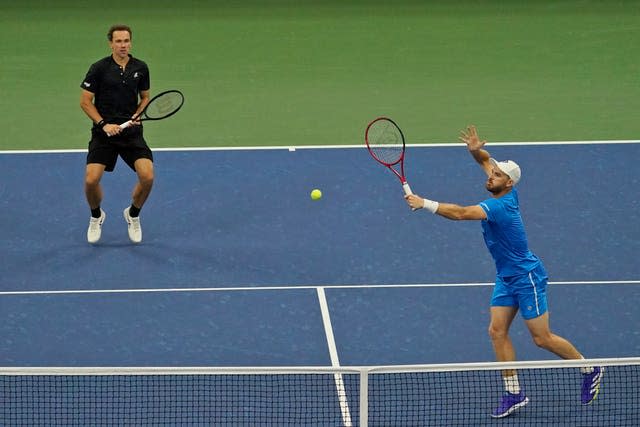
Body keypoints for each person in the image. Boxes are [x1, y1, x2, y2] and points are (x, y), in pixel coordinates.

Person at [405, 125, 603, 418]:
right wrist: (475, 151)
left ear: (508, 183)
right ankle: (514, 393)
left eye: (497, 175)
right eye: (493, 173)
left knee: (542, 338)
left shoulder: (501, 206)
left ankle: (591, 368)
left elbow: (461, 213)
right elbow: (485, 161)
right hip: (506, 277)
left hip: (527, 277)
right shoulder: (501, 185)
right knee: (497, 331)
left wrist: (425, 204)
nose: (491, 176)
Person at [80, 24, 153, 244]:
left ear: (131, 42)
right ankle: (96, 216)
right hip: (104, 134)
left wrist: (138, 114)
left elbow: (145, 97)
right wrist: (103, 124)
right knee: (91, 180)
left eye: (126, 41)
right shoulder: (99, 68)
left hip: (131, 133)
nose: (123, 45)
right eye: (118, 41)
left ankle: (132, 214)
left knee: (148, 177)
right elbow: (85, 102)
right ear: (111, 43)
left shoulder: (141, 67)